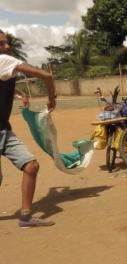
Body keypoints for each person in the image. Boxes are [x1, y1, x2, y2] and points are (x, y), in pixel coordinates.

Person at [0, 29, 57, 227]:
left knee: (31, 165)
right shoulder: (4, 60)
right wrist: (52, 97)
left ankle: (25, 217)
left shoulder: (4, 65)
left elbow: (5, 79)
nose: (7, 46)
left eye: (6, 42)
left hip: (3, 131)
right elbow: (46, 76)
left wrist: (20, 93)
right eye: (1, 44)